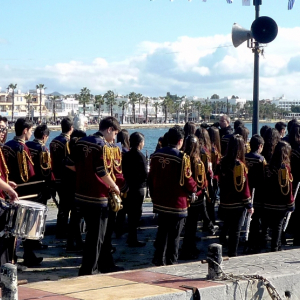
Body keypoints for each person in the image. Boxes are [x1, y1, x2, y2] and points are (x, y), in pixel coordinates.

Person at [70, 116, 127, 276]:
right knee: (98, 236)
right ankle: (90, 269)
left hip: (81, 194)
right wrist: (115, 187)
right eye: (114, 134)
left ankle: (101, 264)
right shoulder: (103, 146)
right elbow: (102, 171)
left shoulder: (80, 141)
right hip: (98, 196)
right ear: (109, 130)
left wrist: (83, 172)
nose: (114, 138)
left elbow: (68, 163)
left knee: (93, 234)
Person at [148, 126, 197, 266]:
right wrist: (195, 189)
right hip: (177, 203)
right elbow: (188, 180)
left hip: (160, 201)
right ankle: (171, 261)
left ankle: (158, 259)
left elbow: (151, 178)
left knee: (162, 232)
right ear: (180, 141)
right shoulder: (182, 157)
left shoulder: (156, 155)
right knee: (174, 236)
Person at [3, 118, 43, 267]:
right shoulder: (21, 148)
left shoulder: (7, 145)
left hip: (8, 187)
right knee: (23, 226)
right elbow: (27, 174)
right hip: (22, 190)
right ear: (25, 130)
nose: (31, 133)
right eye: (31, 130)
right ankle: (25, 255)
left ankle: (15, 256)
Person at [179, 135, 218, 260]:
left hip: (185, 196)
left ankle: (188, 246)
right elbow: (201, 181)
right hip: (196, 197)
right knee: (191, 226)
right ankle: (188, 248)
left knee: (188, 226)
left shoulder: (182, 158)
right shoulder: (196, 162)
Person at [218, 134, 253, 257]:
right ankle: (233, 253)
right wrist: (249, 204)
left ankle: (222, 248)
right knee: (235, 230)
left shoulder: (222, 161)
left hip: (225, 201)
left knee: (226, 226)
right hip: (237, 202)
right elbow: (243, 187)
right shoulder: (239, 165)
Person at [263, 141, 294, 251]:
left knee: (270, 224)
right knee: (278, 226)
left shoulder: (268, 166)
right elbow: (287, 188)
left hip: (268, 201)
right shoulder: (284, 168)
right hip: (279, 202)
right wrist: (291, 203)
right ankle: (275, 246)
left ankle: (272, 244)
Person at [26, 124, 52, 250]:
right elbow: (46, 171)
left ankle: (29, 242)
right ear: (44, 136)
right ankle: (35, 241)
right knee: (38, 216)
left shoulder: (27, 145)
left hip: (28, 185)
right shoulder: (42, 149)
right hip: (39, 186)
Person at [122, 132, 148, 247]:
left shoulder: (126, 155)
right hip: (138, 188)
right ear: (140, 143)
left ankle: (131, 236)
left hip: (128, 187)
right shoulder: (141, 156)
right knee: (136, 213)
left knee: (130, 213)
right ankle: (133, 238)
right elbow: (145, 174)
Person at [50, 117, 74, 238]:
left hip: (56, 176)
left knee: (63, 206)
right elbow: (68, 160)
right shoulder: (66, 142)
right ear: (71, 128)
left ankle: (60, 230)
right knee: (66, 206)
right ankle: (62, 231)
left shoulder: (53, 141)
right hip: (66, 177)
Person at [245, 134, 266, 253]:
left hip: (246, 189)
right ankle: (254, 241)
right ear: (260, 146)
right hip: (257, 191)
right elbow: (264, 177)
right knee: (256, 219)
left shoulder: (244, 157)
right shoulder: (261, 159)